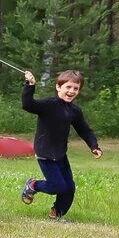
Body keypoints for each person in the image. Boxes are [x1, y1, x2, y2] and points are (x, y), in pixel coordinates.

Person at [20, 69, 102, 221]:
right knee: (57, 186)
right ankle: (33, 185)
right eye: (68, 87)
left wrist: (94, 146)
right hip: (45, 153)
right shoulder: (48, 105)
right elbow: (28, 105)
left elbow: (84, 129)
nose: (71, 91)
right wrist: (30, 85)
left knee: (69, 188)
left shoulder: (75, 111)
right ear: (58, 87)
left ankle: (56, 213)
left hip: (60, 154)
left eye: (75, 88)